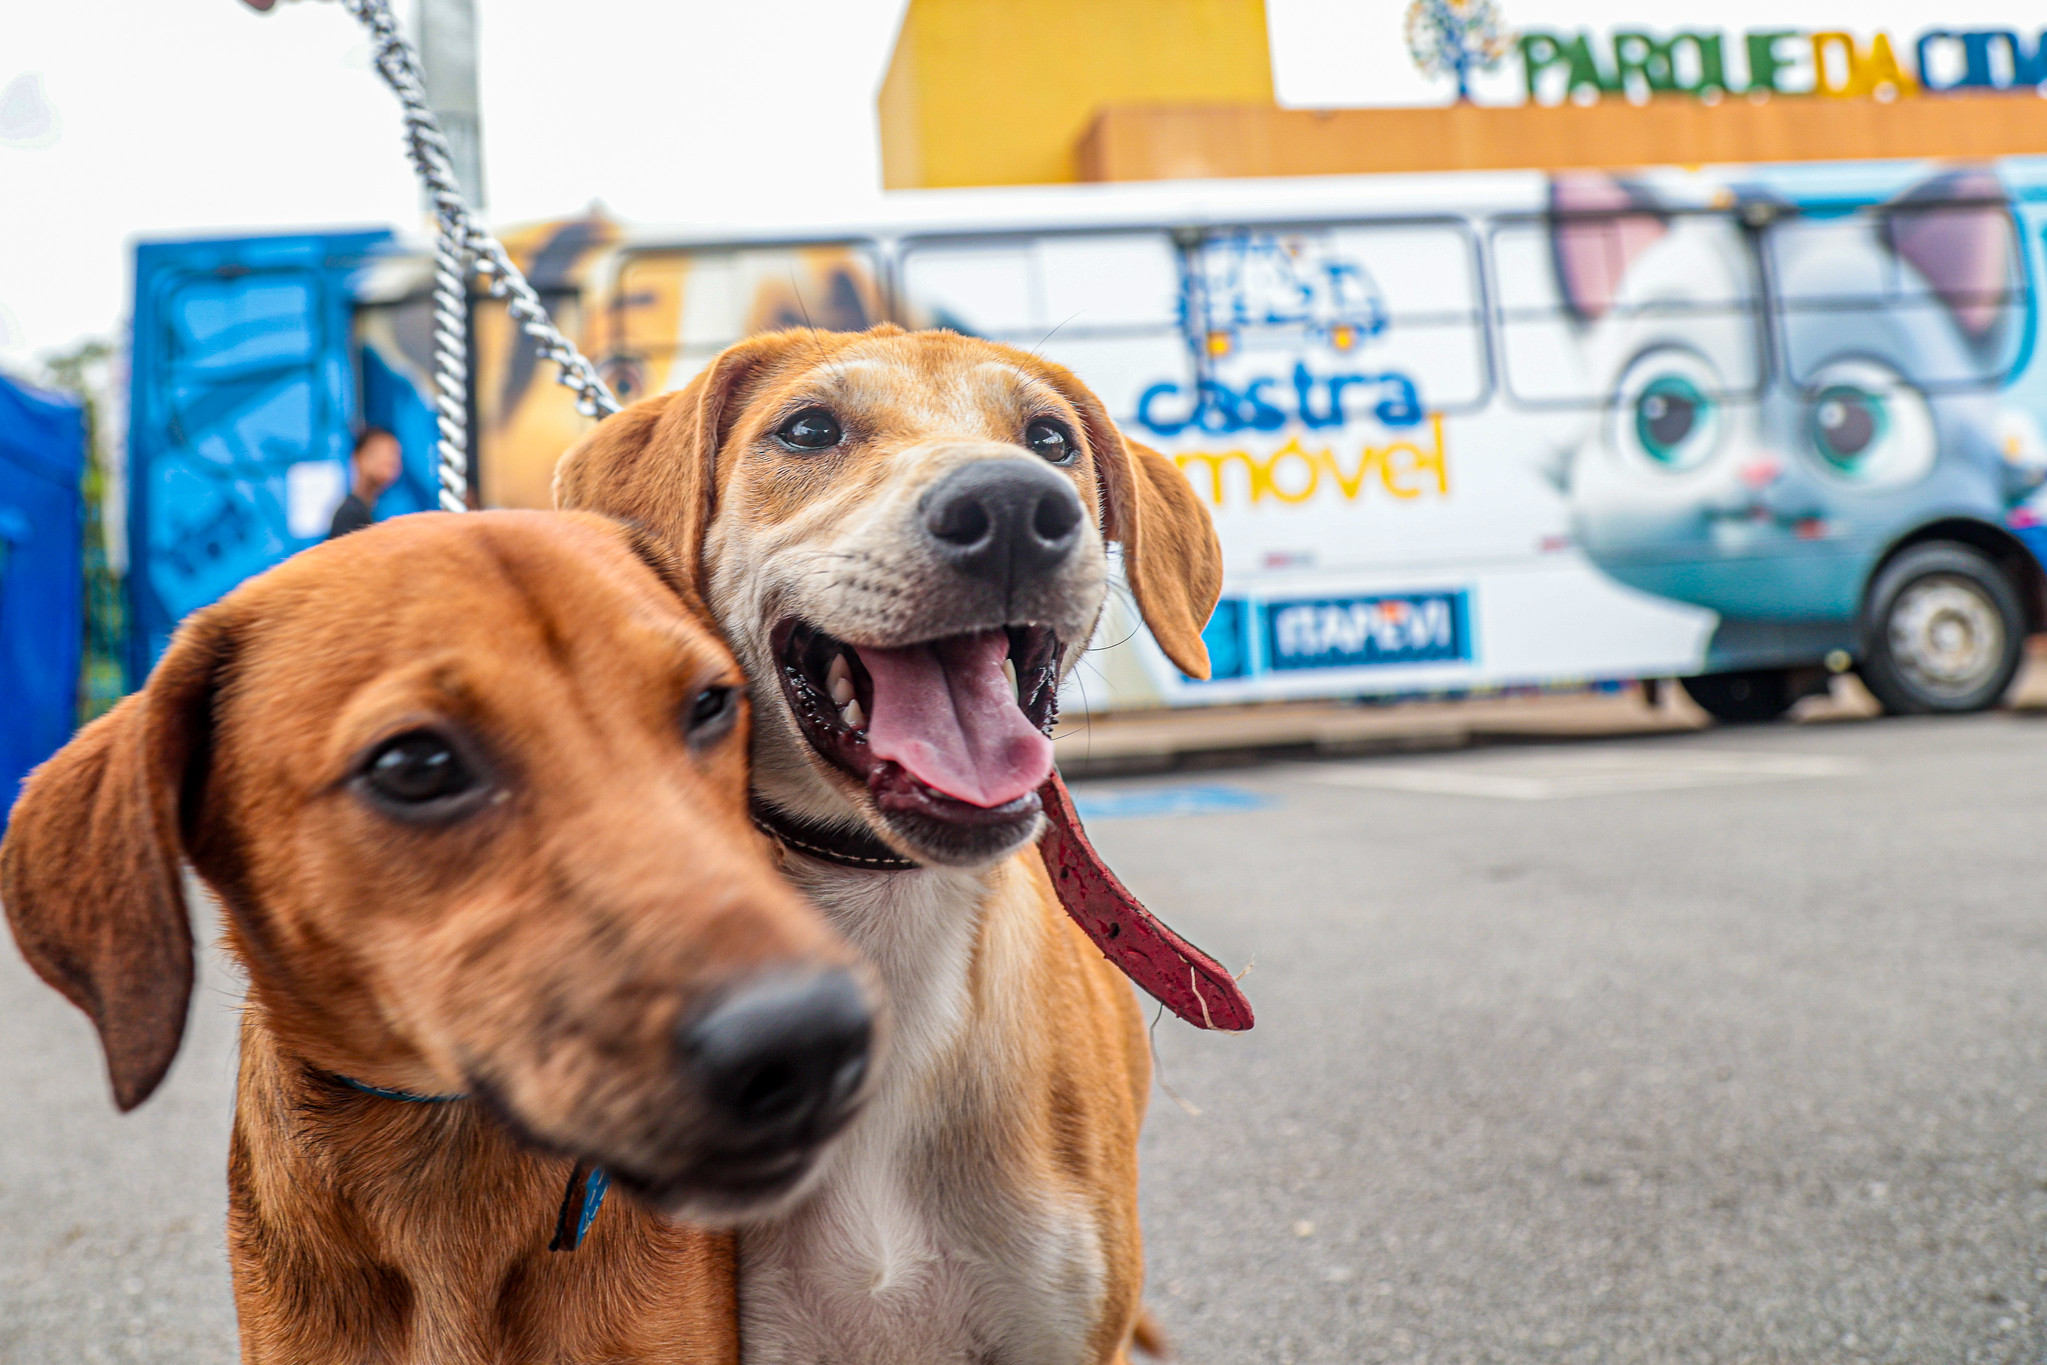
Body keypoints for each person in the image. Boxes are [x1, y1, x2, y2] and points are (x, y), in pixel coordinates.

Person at [328, 428, 402, 540]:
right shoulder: (351, 515)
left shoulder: (369, 510)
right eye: (377, 453)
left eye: (394, 455)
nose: (388, 460)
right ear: (358, 457)